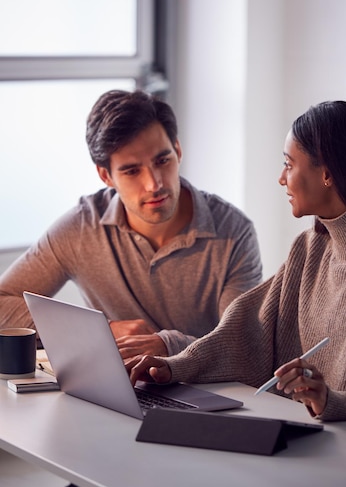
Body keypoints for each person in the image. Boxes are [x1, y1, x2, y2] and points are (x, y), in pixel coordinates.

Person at [126, 100, 346, 439]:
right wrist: (174, 366)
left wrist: (335, 402)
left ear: (327, 173)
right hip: (309, 444)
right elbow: (247, 332)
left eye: (288, 164)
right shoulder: (309, 248)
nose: (281, 178)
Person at [0, 90, 263, 356]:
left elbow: (241, 342)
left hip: (207, 390)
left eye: (162, 161)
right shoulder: (80, 229)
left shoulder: (234, 231)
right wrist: (104, 329)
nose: (154, 184)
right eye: (132, 171)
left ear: (178, 150)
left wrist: (168, 345)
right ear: (106, 176)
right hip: (118, 389)